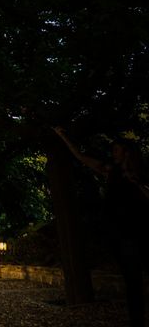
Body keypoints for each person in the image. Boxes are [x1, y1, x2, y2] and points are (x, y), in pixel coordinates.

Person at [53, 127, 149, 327]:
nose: (113, 153)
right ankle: (136, 319)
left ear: (127, 153)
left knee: (138, 274)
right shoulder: (110, 170)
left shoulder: (141, 174)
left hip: (139, 229)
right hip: (119, 231)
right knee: (131, 278)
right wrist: (63, 136)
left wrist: (137, 183)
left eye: (117, 150)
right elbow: (81, 157)